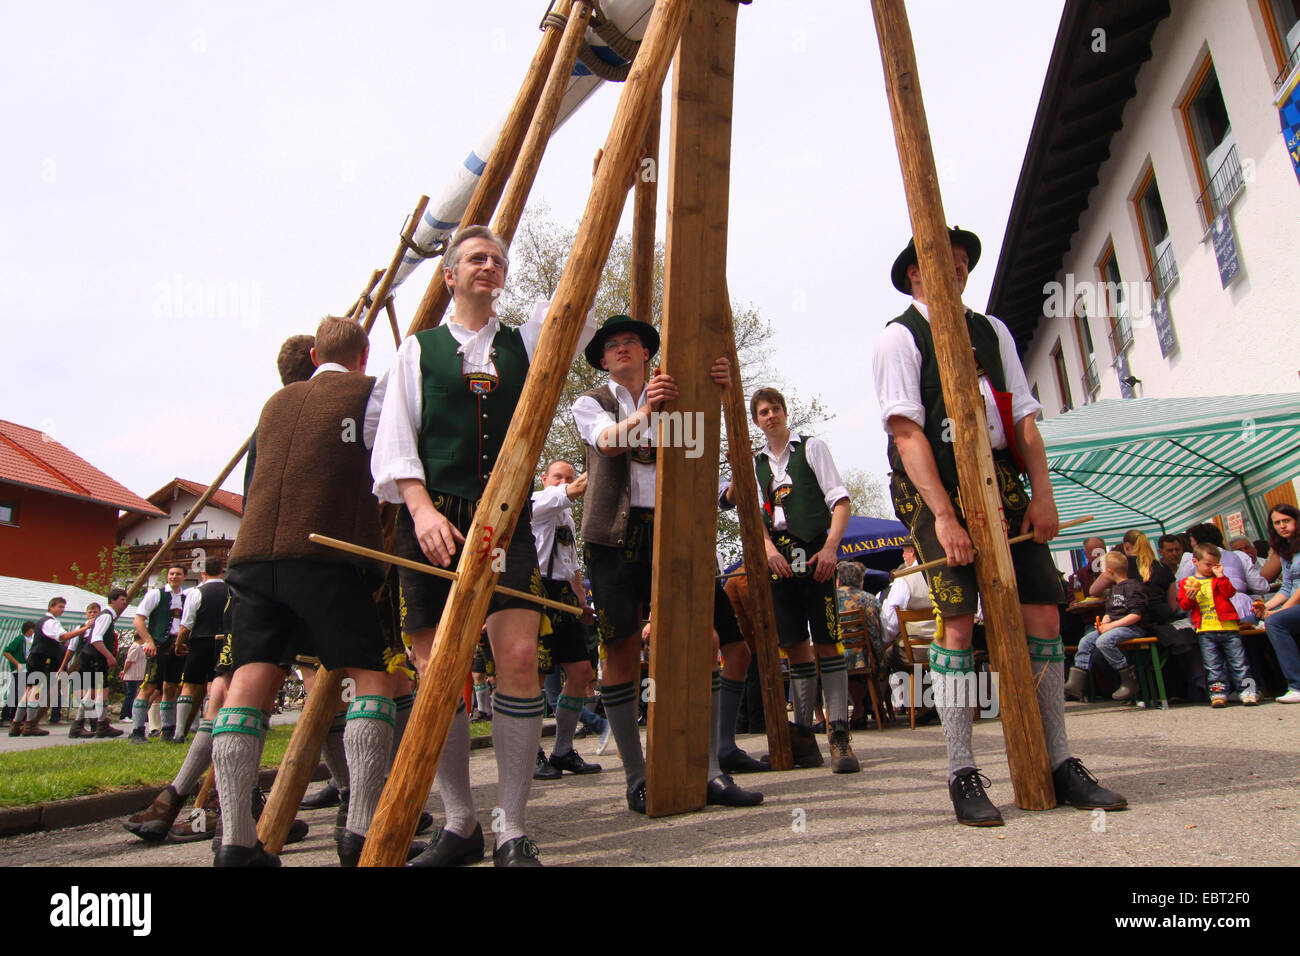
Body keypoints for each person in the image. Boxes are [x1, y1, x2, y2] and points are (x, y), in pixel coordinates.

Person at [871, 225, 1126, 826]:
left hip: (1003, 475)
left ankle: (1059, 759)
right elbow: (906, 432)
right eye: (944, 259)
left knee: (1043, 610)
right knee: (958, 621)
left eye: (963, 261)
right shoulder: (897, 338)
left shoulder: (993, 330)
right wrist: (942, 515)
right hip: (934, 482)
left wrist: (1044, 495)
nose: (958, 268)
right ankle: (962, 771)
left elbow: (1027, 419)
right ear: (915, 272)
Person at [372, 226, 599, 868]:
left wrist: (596, 210)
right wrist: (419, 512)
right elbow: (395, 442)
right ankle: (459, 821)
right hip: (433, 520)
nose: (490, 266)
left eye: (499, 260)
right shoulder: (417, 351)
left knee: (521, 656)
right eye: (477, 257)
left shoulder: (524, 341)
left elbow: (571, 304)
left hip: (506, 519)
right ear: (449, 275)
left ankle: (510, 827)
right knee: (436, 667)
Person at [211, 314, 399, 867]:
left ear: (315, 357)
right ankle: (360, 831)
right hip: (325, 553)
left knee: (249, 682)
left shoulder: (276, 404)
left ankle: (236, 842)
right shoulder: (371, 391)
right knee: (373, 679)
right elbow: (389, 466)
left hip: (251, 559)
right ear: (364, 356)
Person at [573, 312, 763, 814]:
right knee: (620, 650)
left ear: (646, 351)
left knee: (703, 639)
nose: (622, 349)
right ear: (602, 359)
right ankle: (638, 778)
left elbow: (698, 441)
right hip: (612, 539)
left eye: (631, 342)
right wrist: (648, 413)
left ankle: (710, 770)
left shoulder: (671, 393)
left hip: (671, 529)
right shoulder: (590, 402)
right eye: (611, 346)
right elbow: (609, 441)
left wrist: (715, 390)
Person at [725, 387, 857, 772]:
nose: (771, 415)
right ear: (755, 420)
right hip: (778, 562)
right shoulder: (753, 464)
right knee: (796, 647)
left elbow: (841, 502)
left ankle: (839, 737)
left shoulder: (812, 448)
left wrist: (831, 549)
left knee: (829, 643)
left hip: (816, 555)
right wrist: (766, 551)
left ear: (785, 412)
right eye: (763, 411)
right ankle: (803, 738)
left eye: (775, 408)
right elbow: (748, 511)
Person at [529, 460, 603, 778]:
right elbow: (567, 493)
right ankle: (531, 753)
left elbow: (572, 565)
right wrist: (600, 465)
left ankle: (562, 750)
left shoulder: (567, 517)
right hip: (536, 591)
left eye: (569, 477)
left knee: (581, 671)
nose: (564, 481)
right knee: (533, 676)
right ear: (545, 479)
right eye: (558, 476)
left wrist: (582, 602)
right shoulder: (537, 501)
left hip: (563, 595)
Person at [1178, 543, 1256, 707]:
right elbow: (1184, 606)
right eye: (1208, 564)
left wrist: (1221, 576)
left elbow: (1230, 593)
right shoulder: (1187, 582)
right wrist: (1190, 598)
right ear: (1195, 561)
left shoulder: (1219, 580)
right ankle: (1218, 693)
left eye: (1215, 565)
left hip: (1229, 627)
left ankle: (1248, 691)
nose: (1211, 568)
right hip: (1206, 629)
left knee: (1240, 662)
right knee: (1213, 665)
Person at [1064, 551, 1146, 701]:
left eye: (1101, 569)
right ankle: (1077, 681)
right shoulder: (1113, 588)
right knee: (1086, 640)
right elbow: (1111, 611)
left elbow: (1136, 615)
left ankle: (1128, 677)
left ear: (1109, 571)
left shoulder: (1132, 586)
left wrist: (1111, 625)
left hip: (1132, 628)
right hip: (1114, 627)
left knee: (1104, 641)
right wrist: (1105, 622)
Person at [13, 597, 91, 736]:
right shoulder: (51, 622)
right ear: (51, 607)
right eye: (60, 606)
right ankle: (29, 725)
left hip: (35, 657)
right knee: (36, 690)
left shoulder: (42, 621)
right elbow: (63, 636)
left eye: (63, 607)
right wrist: (85, 628)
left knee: (30, 690)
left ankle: (16, 724)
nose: (62, 609)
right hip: (42, 659)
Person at [128, 565, 189, 743]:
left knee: (171, 687)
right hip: (159, 644)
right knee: (148, 686)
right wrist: (148, 641)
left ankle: (167, 730)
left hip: (177, 645)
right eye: (171, 574)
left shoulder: (187, 597)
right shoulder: (156, 594)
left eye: (178, 574)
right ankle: (137, 730)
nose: (174, 577)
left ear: (184, 577)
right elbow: (138, 619)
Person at [171, 557, 229, 744]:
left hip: (200, 642)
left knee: (189, 685)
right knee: (217, 684)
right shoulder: (232, 592)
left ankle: (179, 733)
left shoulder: (196, 593)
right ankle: (213, 729)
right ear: (222, 570)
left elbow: (186, 625)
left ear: (203, 573)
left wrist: (179, 644)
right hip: (225, 642)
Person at [880, 539, 938, 716]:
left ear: (912, 551)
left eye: (905, 552)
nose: (903, 556)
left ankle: (920, 702)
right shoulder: (939, 571)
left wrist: (885, 640)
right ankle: (935, 698)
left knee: (890, 656)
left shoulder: (905, 578)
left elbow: (890, 618)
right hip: (945, 645)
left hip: (916, 650)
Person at [1176, 523, 1268, 625]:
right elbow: (1261, 587)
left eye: (1192, 541)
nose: (1191, 544)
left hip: (1208, 609)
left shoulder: (1190, 559)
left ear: (1197, 543)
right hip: (1242, 606)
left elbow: (1180, 588)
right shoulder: (1239, 555)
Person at [71, 589, 129, 737]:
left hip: (92, 657)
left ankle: (84, 725)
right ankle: (99, 725)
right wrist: (109, 656)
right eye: (122, 599)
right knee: (99, 691)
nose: (124, 602)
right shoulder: (106, 616)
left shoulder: (107, 616)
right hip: (95, 658)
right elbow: (96, 639)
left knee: (95, 692)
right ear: (113, 600)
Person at [1259, 503, 1300, 703]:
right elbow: (1286, 587)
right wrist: (1264, 607)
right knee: (1249, 619)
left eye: (1286, 521)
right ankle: (1256, 685)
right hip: (1294, 603)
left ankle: (1297, 685)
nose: (1282, 526)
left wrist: (1281, 610)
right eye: (1277, 523)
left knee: (1276, 622)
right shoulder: (1285, 549)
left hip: (1297, 604)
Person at [2, 622, 33, 726]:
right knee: (14, 694)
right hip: (19, 670)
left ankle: (16, 717)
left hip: (26, 670)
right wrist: (17, 664)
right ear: (29, 630)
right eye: (33, 629)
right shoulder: (20, 639)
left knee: (22, 694)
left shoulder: (30, 641)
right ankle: (6, 717)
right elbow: (6, 652)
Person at [119, 637, 146, 720]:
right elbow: (129, 660)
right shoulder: (136, 647)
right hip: (133, 675)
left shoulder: (140, 647)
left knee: (134, 695)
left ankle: (131, 714)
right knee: (131, 695)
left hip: (138, 675)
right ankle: (125, 715)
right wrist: (124, 671)